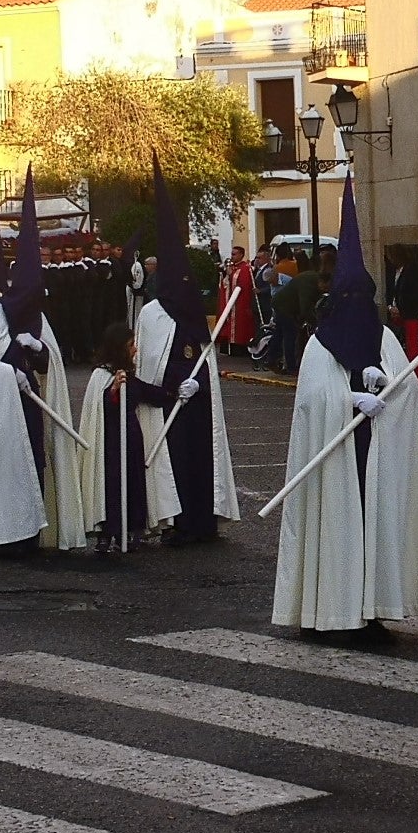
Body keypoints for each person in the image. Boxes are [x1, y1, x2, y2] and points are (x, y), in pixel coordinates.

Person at [273, 179, 418, 635]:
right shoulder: (319, 345)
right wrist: (349, 399)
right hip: (338, 459)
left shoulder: (383, 338)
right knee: (341, 526)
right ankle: (333, 607)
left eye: (363, 299)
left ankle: (375, 607)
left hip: (376, 455)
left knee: (376, 525)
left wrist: (386, 387)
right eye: (350, 299)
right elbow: (309, 403)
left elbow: (408, 391)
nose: (357, 308)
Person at [0, 175, 86, 555]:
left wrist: (39, 353)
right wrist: (4, 372)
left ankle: (31, 533)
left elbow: (52, 369)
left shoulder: (38, 319)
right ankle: (1, 537)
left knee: (35, 463)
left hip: (31, 410)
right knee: (3, 471)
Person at [136, 162, 238, 546]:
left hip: (197, 406)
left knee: (200, 461)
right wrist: (174, 383)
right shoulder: (152, 315)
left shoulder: (193, 313)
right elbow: (149, 360)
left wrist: (200, 381)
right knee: (174, 462)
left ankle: (202, 520)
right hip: (168, 406)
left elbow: (205, 355)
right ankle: (176, 521)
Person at [76, 322, 176, 554]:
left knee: (133, 484)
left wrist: (174, 391)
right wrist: (112, 392)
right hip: (109, 444)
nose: (135, 350)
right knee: (110, 486)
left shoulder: (128, 377)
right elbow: (98, 408)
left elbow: (149, 393)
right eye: (131, 345)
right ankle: (106, 532)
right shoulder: (101, 376)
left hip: (131, 440)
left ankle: (131, 531)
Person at [385, 245, 418, 367]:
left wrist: (400, 309)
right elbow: (391, 291)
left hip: (409, 314)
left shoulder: (411, 271)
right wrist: (390, 307)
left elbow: (413, 294)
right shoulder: (394, 272)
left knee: (413, 348)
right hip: (396, 314)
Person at [219, 245, 259, 355]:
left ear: (241, 255)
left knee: (241, 327)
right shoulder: (232, 267)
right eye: (231, 254)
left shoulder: (246, 268)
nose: (232, 257)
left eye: (234, 254)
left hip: (240, 303)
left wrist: (231, 276)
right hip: (231, 303)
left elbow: (244, 286)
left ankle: (240, 349)